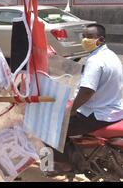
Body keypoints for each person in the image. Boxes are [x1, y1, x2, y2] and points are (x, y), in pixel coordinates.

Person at [50, 23, 123, 173]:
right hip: (113, 109)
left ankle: (64, 164)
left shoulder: (95, 61)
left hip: (97, 113)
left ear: (100, 39)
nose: (85, 40)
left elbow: (87, 91)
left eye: (89, 37)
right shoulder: (110, 55)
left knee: (54, 128)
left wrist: (72, 110)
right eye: (83, 36)